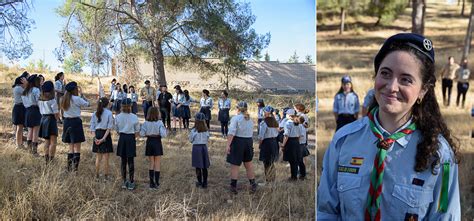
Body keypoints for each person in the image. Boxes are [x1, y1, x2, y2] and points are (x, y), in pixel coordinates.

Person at [317, 33, 461, 220]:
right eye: (385, 73)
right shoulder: (343, 141)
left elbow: (446, 216)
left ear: (423, 90)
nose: (392, 86)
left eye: (406, 79)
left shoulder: (440, 154)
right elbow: (326, 212)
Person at [226, 101, 257, 194]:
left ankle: (233, 186)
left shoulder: (235, 118)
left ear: (238, 109)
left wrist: (228, 145)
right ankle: (253, 184)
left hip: (238, 142)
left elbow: (231, 133)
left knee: (235, 165)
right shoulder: (250, 119)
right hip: (248, 141)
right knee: (249, 164)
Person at [61, 82, 90, 172]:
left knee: (70, 147)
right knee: (77, 147)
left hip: (67, 122)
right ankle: (75, 169)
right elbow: (87, 104)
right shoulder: (77, 99)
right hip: (76, 122)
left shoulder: (63, 99)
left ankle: (69, 168)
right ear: (75, 89)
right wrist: (82, 94)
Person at [115, 98, 140, 190]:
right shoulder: (134, 116)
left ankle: (124, 181)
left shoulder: (118, 117)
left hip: (122, 138)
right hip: (130, 138)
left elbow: (117, 129)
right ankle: (131, 181)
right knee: (131, 161)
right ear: (130, 106)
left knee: (123, 161)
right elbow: (137, 131)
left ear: (121, 106)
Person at [140, 107, 167, 189]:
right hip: (157, 142)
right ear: (157, 113)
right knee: (157, 163)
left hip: (150, 142)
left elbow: (141, 133)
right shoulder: (159, 123)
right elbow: (163, 135)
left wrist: (148, 134)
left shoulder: (146, 123)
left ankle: (151, 183)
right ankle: (157, 183)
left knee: (151, 163)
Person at [89, 97, 114, 180]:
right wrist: (103, 139)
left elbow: (92, 127)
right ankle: (106, 176)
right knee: (106, 158)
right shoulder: (109, 113)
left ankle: (97, 175)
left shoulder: (94, 113)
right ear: (107, 104)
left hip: (97, 134)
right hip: (105, 134)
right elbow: (109, 128)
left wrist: (95, 138)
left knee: (98, 157)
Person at [38, 81, 60, 163]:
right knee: (53, 142)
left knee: (46, 141)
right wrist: (58, 119)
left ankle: (46, 157)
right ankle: (51, 159)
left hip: (43, 119)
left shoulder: (40, 99)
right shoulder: (52, 100)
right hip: (51, 120)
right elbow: (56, 113)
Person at [281, 109, 305, 181]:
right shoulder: (298, 122)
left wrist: (283, 145)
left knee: (292, 160)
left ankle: (293, 177)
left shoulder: (288, 123)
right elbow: (301, 135)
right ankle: (302, 175)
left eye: (286, 114)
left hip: (290, 142)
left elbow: (286, 135)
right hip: (296, 142)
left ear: (289, 115)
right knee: (298, 159)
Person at [257, 106, 279, 183]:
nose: (262, 113)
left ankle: (268, 181)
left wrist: (260, 145)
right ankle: (272, 180)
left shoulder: (264, 123)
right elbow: (277, 133)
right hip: (274, 143)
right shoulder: (275, 122)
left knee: (266, 163)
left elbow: (261, 136)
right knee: (271, 162)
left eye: (263, 112)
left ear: (266, 113)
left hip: (267, 143)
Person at [21, 74, 42, 155]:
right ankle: (34, 151)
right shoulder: (36, 90)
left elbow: (24, 103)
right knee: (35, 132)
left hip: (28, 111)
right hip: (35, 110)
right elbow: (38, 101)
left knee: (30, 131)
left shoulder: (25, 90)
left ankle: (29, 150)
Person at [189, 112, 210, 188]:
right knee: (204, 167)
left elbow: (190, 140)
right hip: (204, 148)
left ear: (196, 120)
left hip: (196, 148)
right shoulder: (206, 130)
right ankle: (205, 183)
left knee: (198, 166)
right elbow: (207, 138)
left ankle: (199, 182)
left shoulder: (194, 131)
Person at [12, 76, 26, 149]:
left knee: (20, 127)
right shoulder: (19, 88)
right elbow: (27, 92)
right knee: (19, 127)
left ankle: (20, 143)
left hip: (18, 107)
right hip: (19, 108)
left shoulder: (17, 88)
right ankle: (18, 144)